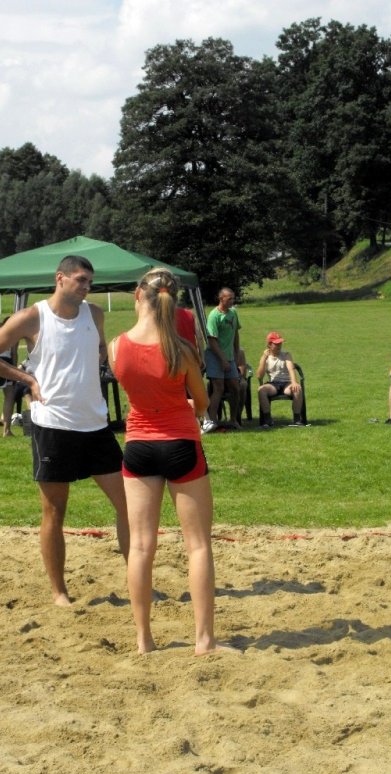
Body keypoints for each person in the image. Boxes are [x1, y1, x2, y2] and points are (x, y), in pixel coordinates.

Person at [0, 255, 129, 606]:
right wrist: (27, 379)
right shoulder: (33, 316)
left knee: (128, 505)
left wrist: (101, 359)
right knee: (55, 512)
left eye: (90, 281)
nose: (87, 287)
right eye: (81, 280)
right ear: (60, 278)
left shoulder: (95, 314)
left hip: (96, 423)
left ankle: (138, 580)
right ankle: (59, 592)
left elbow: (100, 349)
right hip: (53, 425)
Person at [108, 267, 231, 655]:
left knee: (141, 546)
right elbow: (203, 403)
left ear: (137, 295)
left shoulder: (116, 346)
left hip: (139, 446)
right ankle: (204, 640)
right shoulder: (182, 349)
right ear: (173, 302)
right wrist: (186, 403)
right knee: (198, 546)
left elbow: (135, 390)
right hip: (180, 444)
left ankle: (144, 640)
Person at [202, 287, 241, 432]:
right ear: (221, 299)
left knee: (236, 388)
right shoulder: (214, 316)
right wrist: (223, 360)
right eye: (229, 298)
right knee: (219, 388)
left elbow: (235, 334)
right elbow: (212, 341)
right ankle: (212, 421)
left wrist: (236, 353)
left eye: (233, 298)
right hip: (214, 356)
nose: (232, 301)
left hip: (229, 357)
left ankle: (233, 419)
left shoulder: (233, 313)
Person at [256, 332, 303, 428]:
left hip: (287, 383)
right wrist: (264, 358)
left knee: (297, 389)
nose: (279, 346)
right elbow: (259, 376)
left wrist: (294, 382)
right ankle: (267, 420)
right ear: (269, 344)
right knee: (261, 390)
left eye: (280, 343)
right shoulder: (265, 357)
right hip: (273, 384)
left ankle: (297, 420)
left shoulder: (286, 354)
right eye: (276, 344)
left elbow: (291, 369)